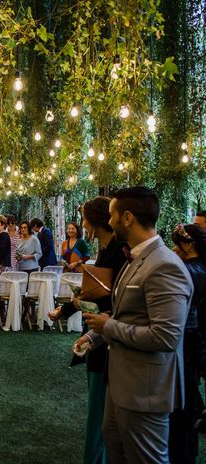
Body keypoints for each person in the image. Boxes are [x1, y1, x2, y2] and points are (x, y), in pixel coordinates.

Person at [84, 186, 192, 464]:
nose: (108, 222)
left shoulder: (165, 265)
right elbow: (126, 315)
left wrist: (107, 328)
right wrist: (95, 337)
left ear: (128, 218)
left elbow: (165, 337)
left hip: (145, 391)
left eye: (112, 215)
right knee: (116, 448)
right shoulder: (135, 258)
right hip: (121, 385)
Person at [49, 196, 128, 464]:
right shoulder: (106, 250)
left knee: (101, 415)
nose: (81, 224)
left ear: (95, 223)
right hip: (96, 332)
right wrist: (67, 309)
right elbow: (93, 294)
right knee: (100, 414)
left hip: (108, 337)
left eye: (84, 219)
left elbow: (110, 301)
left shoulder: (119, 252)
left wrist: (92, 328)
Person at [168, 223, 206, 463]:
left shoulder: (193, 271)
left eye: (177, 243)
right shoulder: (194, 267)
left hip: (190, 339)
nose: (174, 248)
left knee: (185, 403)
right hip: (191, 337)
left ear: (189, 244)